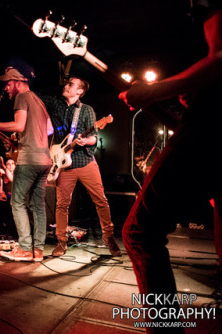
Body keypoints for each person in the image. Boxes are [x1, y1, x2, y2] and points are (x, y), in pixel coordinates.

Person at [119, 2, 222, 327]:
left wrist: (155, 91)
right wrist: (195, 89)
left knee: (140, 232)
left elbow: (220, 58)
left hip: (212, 127)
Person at [0, 65, 53, 262]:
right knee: (38, 206)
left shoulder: (22, 97)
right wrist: (19, 141)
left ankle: (26, 248)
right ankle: (38, 251)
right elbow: (48, 130)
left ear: (19, 82)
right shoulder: (39, 101)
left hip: (29, 160)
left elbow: (19, 125)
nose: (6, 88)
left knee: (16, 202)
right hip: (45, 159)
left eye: (8, 83)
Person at [43, 76, 121, 257]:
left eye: (71, 84)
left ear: (79, 91)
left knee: (100, 200)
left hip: (85, 161)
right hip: (63, 164)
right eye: (67, 83)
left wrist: (85, 140)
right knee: (62, 204)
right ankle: (61, 241)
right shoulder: (56, 105)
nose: (66, 85)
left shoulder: (86, 110)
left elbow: (93, 137)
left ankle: (108, 237)